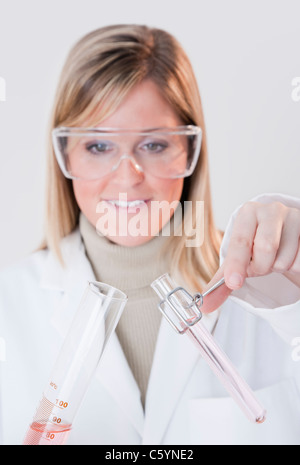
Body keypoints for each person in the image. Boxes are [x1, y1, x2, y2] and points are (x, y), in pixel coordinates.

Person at [0, 24, 300, 446]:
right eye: (98, 146)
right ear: (64, 153)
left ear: (191, 151)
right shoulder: (8, 306)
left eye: (155, 145)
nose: (127, 179)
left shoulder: (275, 294)